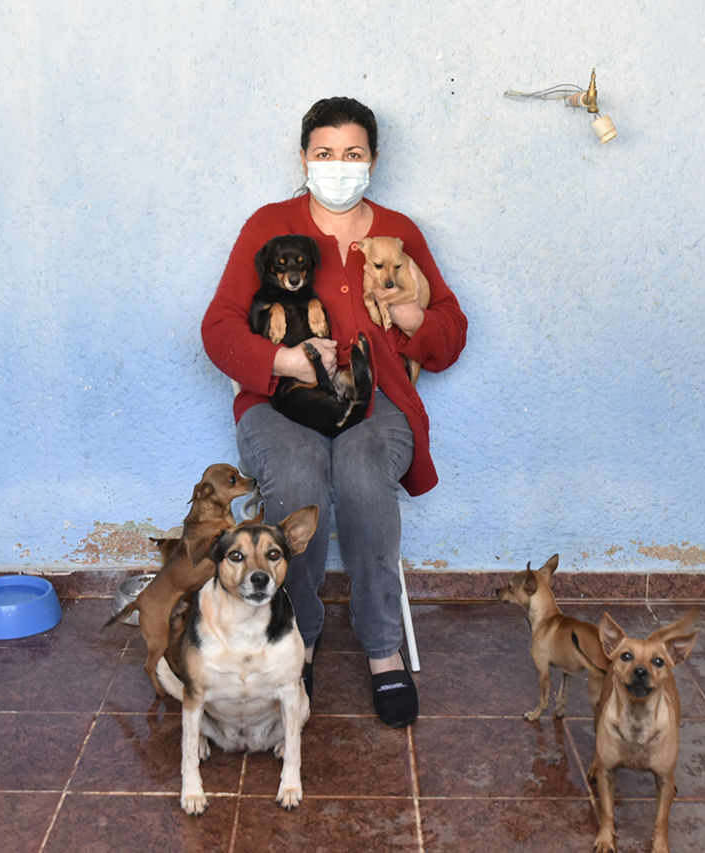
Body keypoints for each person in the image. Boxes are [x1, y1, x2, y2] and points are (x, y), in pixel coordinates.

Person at [200, 97, 467, 728]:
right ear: (304, 158)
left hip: (377, 401)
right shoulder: (268, 226)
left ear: (373, 160)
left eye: (352, 155)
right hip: (280, 403)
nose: (338, 166)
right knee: (296, 474)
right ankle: (300, 632)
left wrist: (409, 317)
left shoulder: (399, 235)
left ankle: (381, 645)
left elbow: (452, 333)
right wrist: (285, 362)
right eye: (325, 154)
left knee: (361, 469)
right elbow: (218, 329)